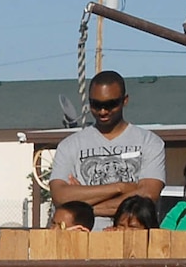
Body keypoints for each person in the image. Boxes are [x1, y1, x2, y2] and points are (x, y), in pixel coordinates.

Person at [47, 71, 166, 227]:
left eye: (110, 104)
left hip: (132, 244)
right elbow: (60, 196)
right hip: (81, 242)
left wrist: (84, 206)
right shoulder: (69, 145)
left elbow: (147, 196)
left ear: (125, 100)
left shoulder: (150, 142)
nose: (103, 111)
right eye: (96, 105)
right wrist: (120, 188)